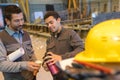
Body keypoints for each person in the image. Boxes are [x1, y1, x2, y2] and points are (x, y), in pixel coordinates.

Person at [0, 5, 40, 80]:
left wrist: (35, 63)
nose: (21, 23)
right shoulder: (1, 38)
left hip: (31, 77)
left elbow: (31, 52)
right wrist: (24, 65)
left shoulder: (26, 34)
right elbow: (1, 65)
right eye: (17, 21)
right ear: (7, 21)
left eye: (22, 19)